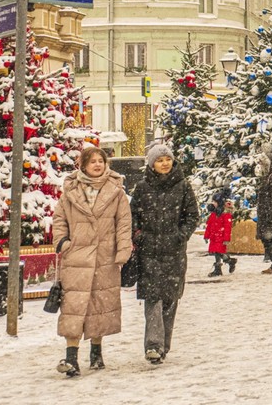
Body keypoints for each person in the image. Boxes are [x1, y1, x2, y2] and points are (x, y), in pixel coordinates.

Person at [51, 146, 132, 377]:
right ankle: (71, 358)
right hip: (76, 257)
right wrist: (63, 243)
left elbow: (124, 224)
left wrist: (122, 252)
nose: (97, 165)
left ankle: (96, 352)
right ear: (83, 165)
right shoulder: (70, 191)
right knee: (73, 307)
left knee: (100, 305)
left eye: (101, 161)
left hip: (104, 257)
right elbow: (60, 219)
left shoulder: (116, 192)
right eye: (92, 161)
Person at [130, 142, 199, 365]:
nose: (164, 163)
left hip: (174, 252)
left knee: (169, 301)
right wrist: (139, 235)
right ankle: (153, 345)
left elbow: (192, 215)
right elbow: (132, 217)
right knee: (153, 300)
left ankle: (163, 346)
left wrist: (181, 235)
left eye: (167, 159)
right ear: (152, 164)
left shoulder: (183, 186)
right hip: (148, 253)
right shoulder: (142, 188)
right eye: (159, 160)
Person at [204, 199, 238, 277]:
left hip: (220, 237)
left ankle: (219, 269)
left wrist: (226, 239)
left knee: (219, 252)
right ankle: (228, 262)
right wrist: (206, 236)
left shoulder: (226, 214)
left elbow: (227, 228)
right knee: (217, 252)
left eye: (215, 202)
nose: (213, 203)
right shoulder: (214, 214)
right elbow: (209, 225)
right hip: (214, 237)